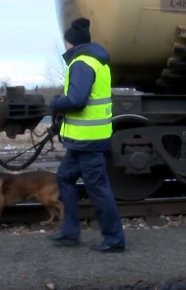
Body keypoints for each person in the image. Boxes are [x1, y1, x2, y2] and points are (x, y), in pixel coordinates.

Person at [48, 17, 126, 253]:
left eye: (66, 43)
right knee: (64, 178)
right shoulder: (95, 61)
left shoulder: (82, 63)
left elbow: (76, 100)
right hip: (84, 141)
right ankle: (70, 232)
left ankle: (114, 240)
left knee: (98, 189)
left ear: (71, 43)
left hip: (87, 140)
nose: (65, 47)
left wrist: (55, 103)